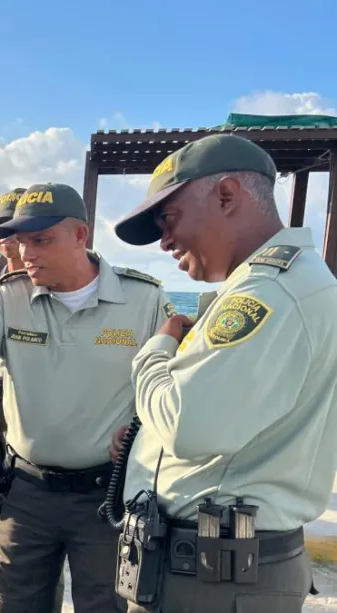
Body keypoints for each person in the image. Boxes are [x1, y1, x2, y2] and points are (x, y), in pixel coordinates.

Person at [0, 183, 174, 613]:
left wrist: (143, 434)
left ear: (81, 235)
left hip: (107, 496)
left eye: (42, 240)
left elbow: (168, 385)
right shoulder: (10, 295)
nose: (27, 252)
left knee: (106, 606)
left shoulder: (143, 300)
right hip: (26, 495)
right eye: (21, 240)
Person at [112, 133, 337, 612]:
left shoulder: (268, 294)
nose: (165, 240)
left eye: (167, 219)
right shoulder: (281, 285)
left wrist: (154, 352)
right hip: (212, 570)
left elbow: (186, 423)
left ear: (227, 195)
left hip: (214, 579)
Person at [0, 187, 65, 613]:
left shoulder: (50, 277)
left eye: (17, 233)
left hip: (31, 408)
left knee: (36, 527)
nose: (7, 242)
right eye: (1, 233)